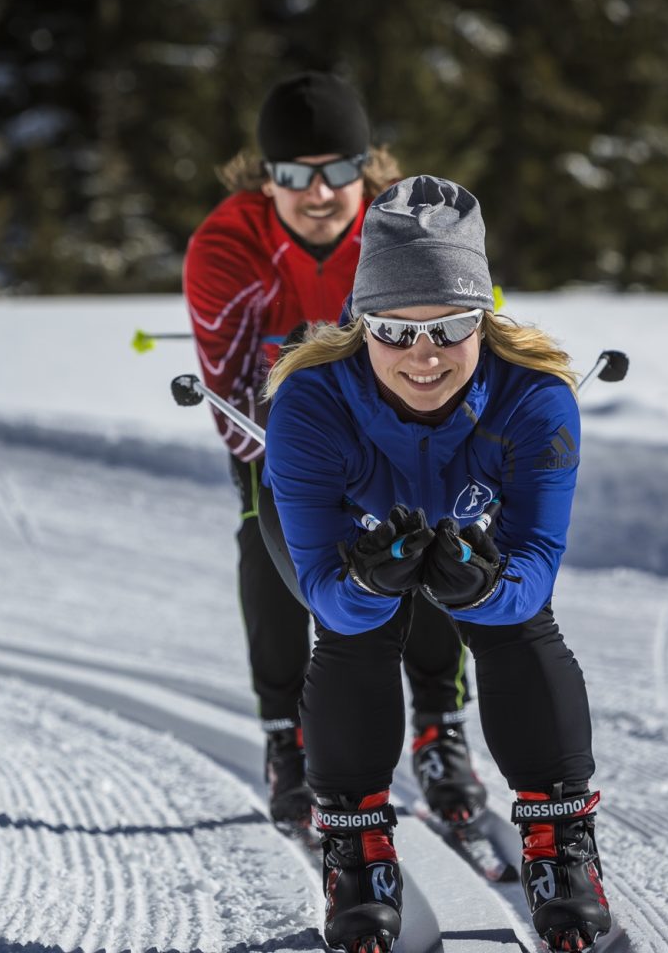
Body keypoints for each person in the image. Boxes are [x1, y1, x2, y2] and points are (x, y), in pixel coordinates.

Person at [260, 175, 611, 953]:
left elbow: (538, 563)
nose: (424, 356)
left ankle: (560, 843)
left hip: (465, 522)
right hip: (349, 540)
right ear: (362, 325)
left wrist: (489, 589)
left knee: (520, 627)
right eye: (393, 331)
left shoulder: (536, 398)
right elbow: (324, 585)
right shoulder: (310, 404)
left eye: (450, 326)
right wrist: (365, 583)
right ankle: (355, 850)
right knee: (353, 633)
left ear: (483, 320)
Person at [183, 73, 487, 837]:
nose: (318, 194)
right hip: (279, 421)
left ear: (368, 164)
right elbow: (230, 408)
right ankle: (290, 735)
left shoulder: (412, 229)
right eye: (294, 175)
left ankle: (439, 723)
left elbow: (468, 347)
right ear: (266, 176)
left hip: (402, 410)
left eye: (338, 171)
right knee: (271, 533)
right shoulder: (226, 246)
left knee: (435, 523)